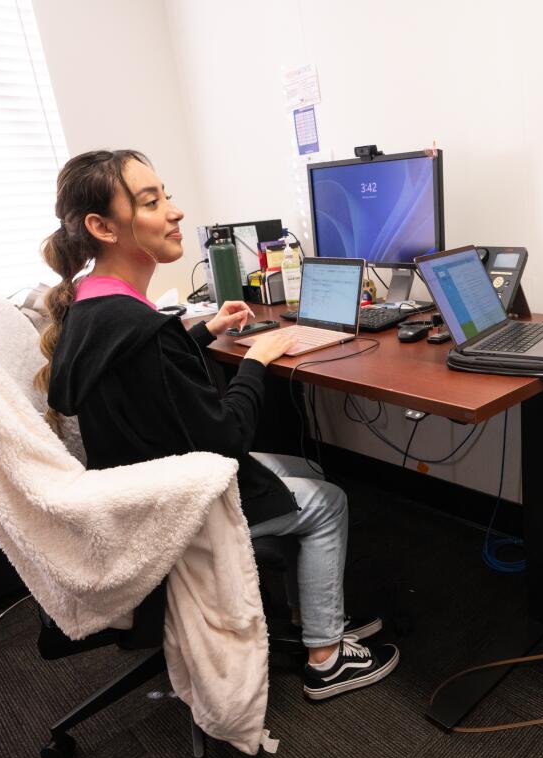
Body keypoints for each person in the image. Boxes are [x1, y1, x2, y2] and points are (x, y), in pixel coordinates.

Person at [34, 149, 398, 700]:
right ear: (102, 226)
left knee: (305, 467)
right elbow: (228, 439)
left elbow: (137, 367)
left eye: (166, 195)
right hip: (179, 509)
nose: (175, 211)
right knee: (329, 501)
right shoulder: (138, 326)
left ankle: (310, 615)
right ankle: (326, 655)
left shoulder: (93, 306)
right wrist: (256, 361)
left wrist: (199, 333)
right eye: (151, 202)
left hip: (140, 488)